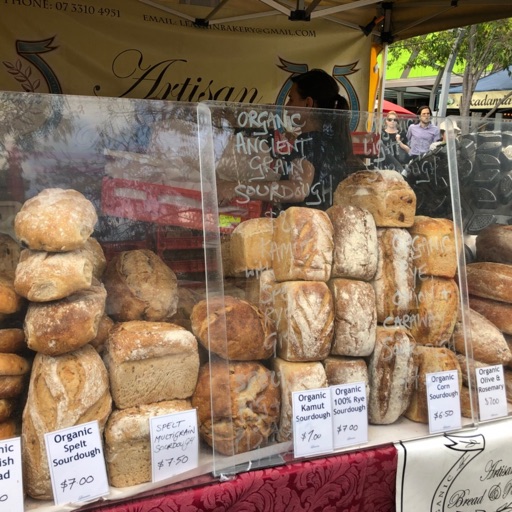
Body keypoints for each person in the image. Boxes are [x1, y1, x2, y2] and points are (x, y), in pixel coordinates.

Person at [216, 69, 357, 211]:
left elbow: (297, 189)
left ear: (308, 104)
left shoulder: (308, 141)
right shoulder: (328, 141)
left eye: (291, 99)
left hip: (302, 222)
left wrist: (235, 187)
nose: (287, 106)